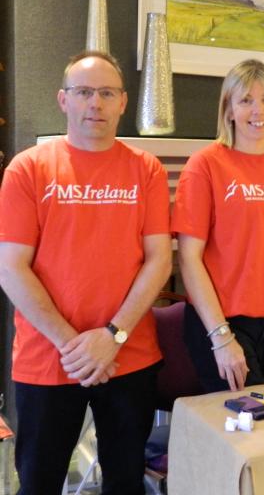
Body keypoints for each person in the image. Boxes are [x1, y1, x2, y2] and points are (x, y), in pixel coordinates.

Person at [0, 51, 172, 495]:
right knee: (38, 483)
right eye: (83, 92)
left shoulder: (146, 170)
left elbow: (159, 260)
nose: (95, 103)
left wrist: (111, 336)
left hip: (128, 356)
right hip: (48, 359)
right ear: (63, 100)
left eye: (106, 93)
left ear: (123, 102)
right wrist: (74, 346)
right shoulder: (28, 169)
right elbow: (11, 268)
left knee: (125, 482)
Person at [172, 59, 264, 392]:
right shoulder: (205, 165)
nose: (258, 110)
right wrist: (221, 337)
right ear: (229, 109)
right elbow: (189, 258)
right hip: (221, 324)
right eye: (246, 100)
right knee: (248, 432)